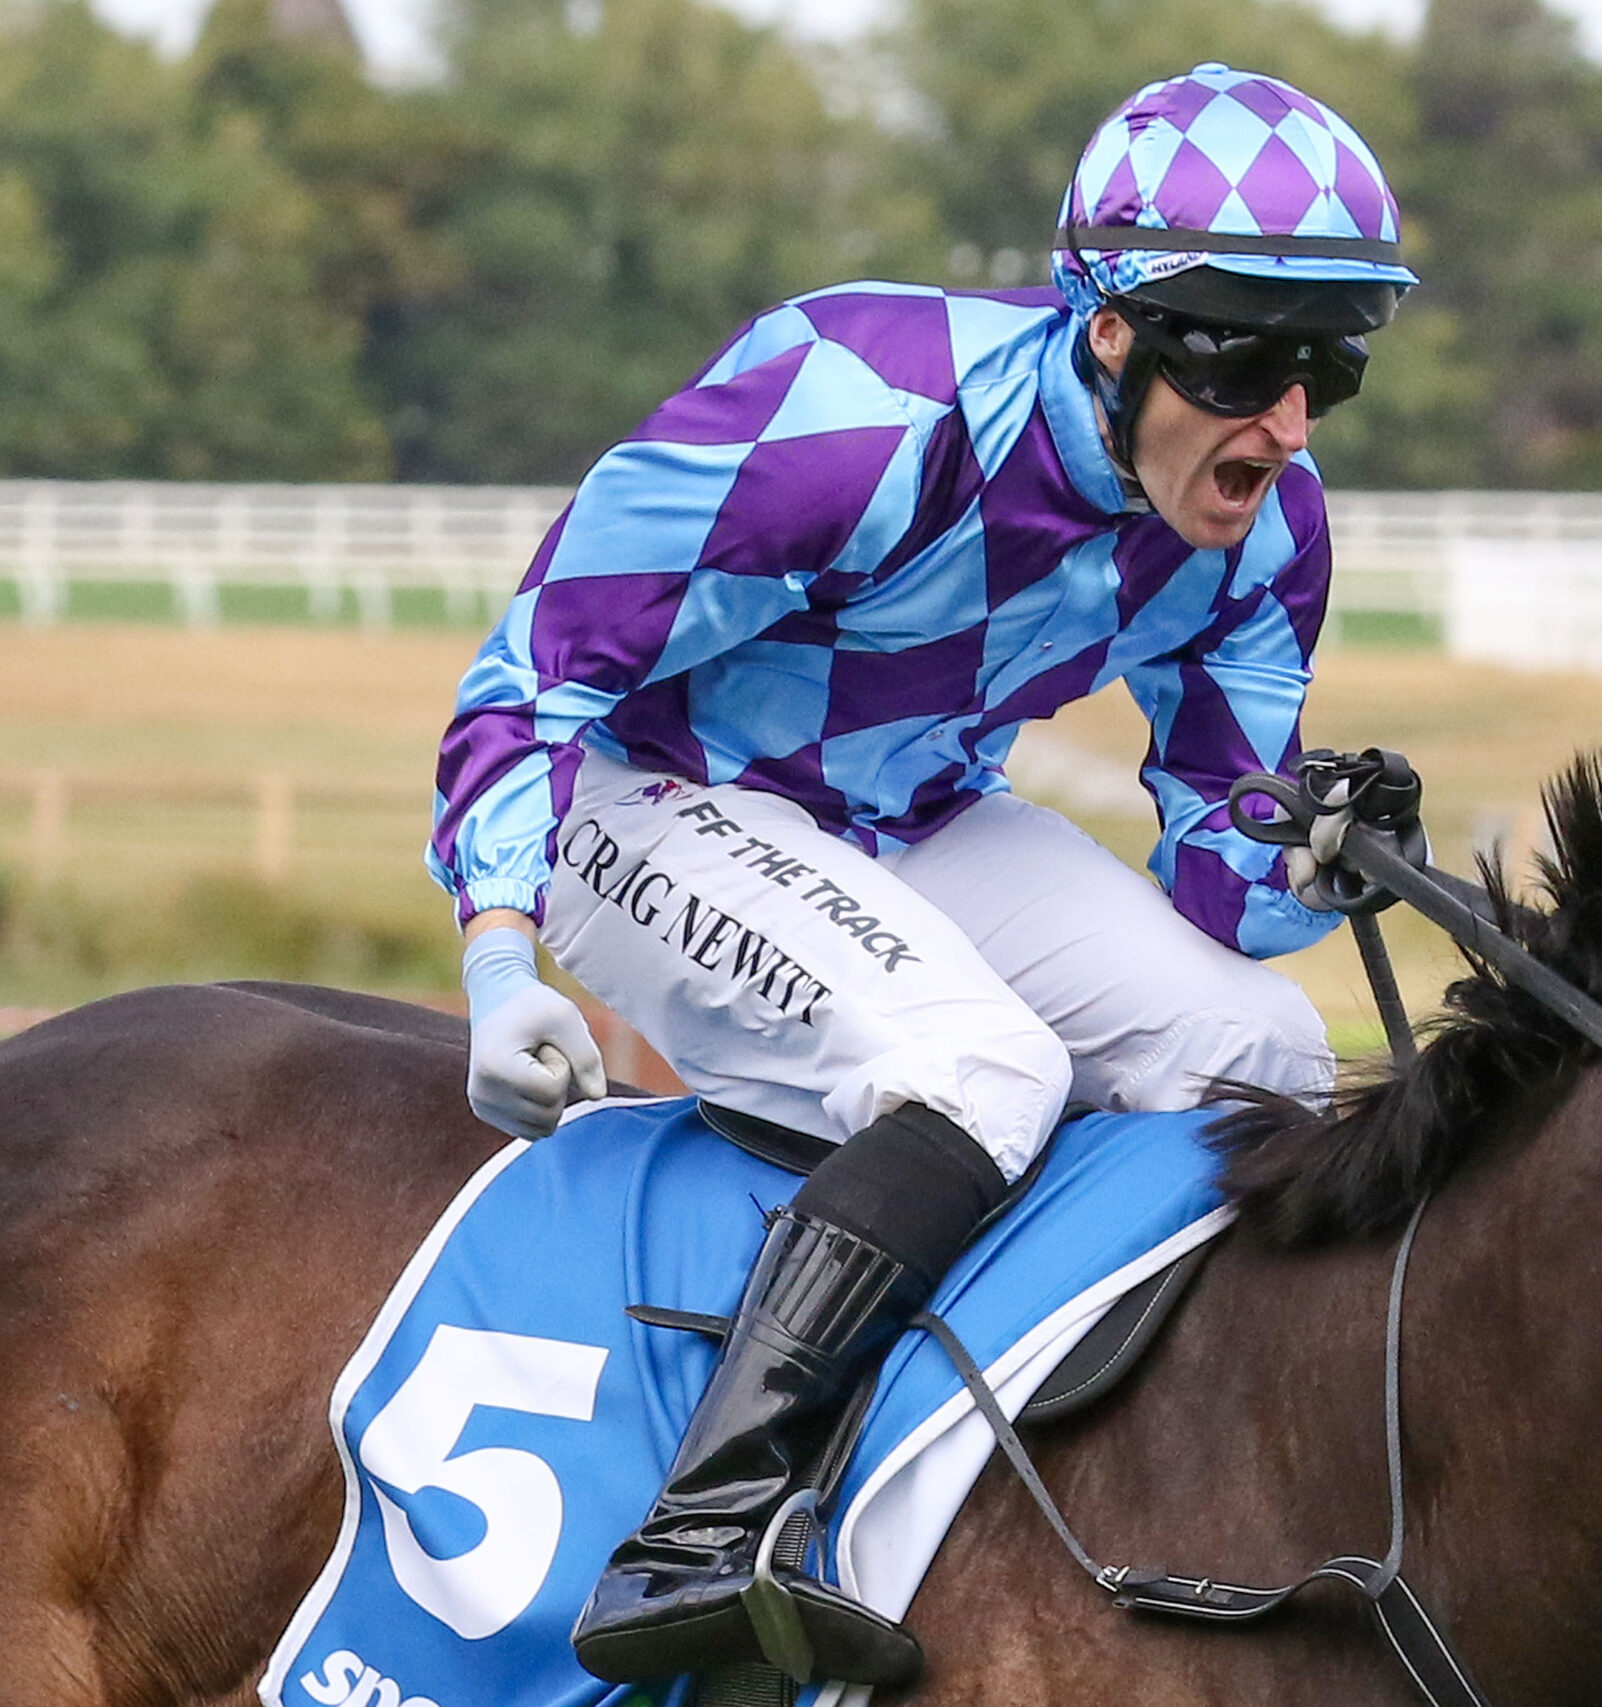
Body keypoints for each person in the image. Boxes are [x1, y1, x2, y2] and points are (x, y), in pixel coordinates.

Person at [423, 62, 1418, 1684]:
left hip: (913, 817)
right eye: (1251, 362)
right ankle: (695, 1539)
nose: (1291, 424)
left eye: (1331, 369)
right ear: (1114, 330)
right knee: (984, 1066)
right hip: (644, 792)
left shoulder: (1268, 533)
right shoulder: (857, 411)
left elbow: (1221, 876)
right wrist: (497, 948)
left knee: (1271, 1056)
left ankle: (1124, 1487)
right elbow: (534, 673)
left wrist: (1324, 853)